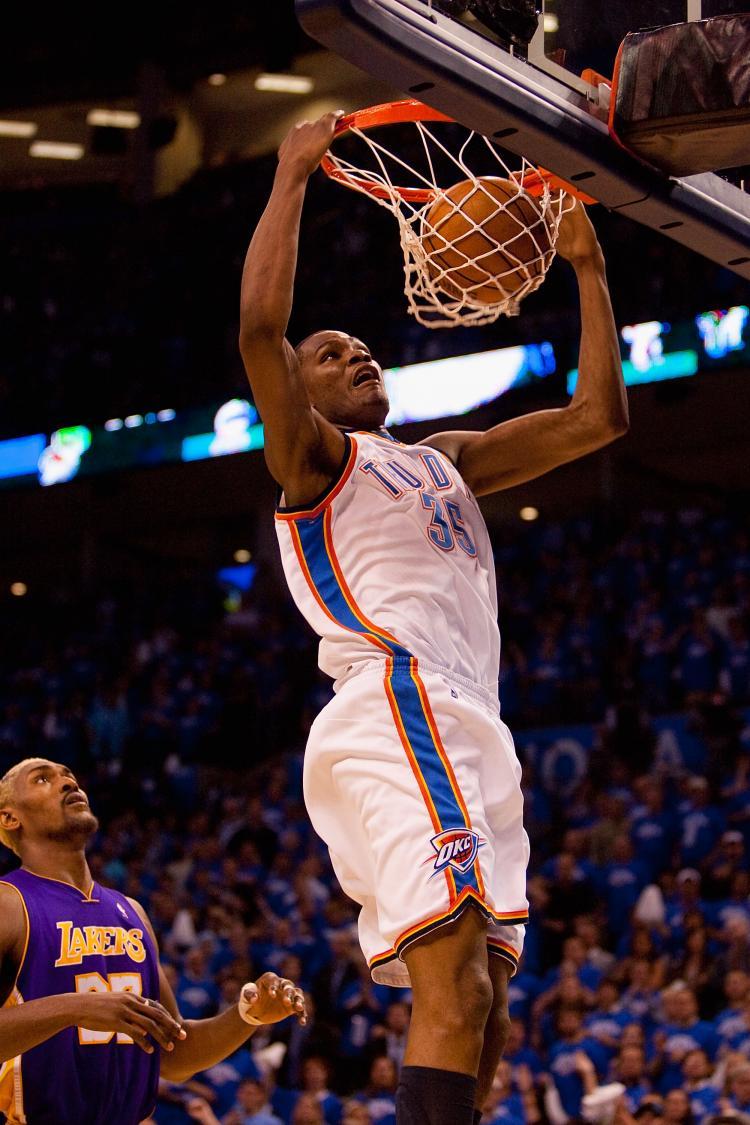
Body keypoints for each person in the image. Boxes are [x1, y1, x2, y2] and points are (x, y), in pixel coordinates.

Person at [239, 110, 627, 1125]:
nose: (353, 354)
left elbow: (599, 420)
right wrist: (292, 176)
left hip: (467, 718)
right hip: (395, 698)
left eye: (361, 345)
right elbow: (256, 334)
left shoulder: (445, 457)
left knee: (486, 1005)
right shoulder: (318, 461)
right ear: (302, 390)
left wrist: (586, 268)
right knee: (453, 984)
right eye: (329, 354)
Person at [0, 757, 307, 1125]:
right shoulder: (9, 903)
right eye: (43, 779)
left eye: (70, 776)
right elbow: (82, 1010)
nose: (67, 783)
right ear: (9, 818)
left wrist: (247, 1017)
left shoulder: (130, 911)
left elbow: (173, 1055)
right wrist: (76, 1008)